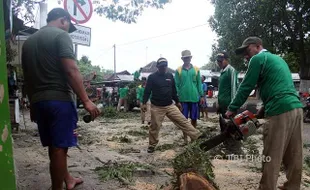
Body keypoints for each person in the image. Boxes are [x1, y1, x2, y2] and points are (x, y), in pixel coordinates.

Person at [21, 8, 101, 190]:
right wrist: (86, 101)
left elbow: (27, 77)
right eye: (68, 26)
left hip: (39, 102)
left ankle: (68, 178)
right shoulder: (61, 36)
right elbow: (71, 70)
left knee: (54, 145)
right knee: (59, 147)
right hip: (59, 101)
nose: (67, 30)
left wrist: (32, 103)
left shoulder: (29, 42)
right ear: (63, 20)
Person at [225, 36, 303, 190]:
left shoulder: (258, 59)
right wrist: (262, 110)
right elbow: (278, 88)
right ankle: (292, 187)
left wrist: (231, 109)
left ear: (258, 46)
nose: (246, 56)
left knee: (272, 155)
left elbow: (246, 86)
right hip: (296, 108)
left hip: (280, 109)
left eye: (248, 51)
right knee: (294, 154)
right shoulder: (278, 59)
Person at [142, 57, 205, 153]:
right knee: (155, 126)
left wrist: (178, 102)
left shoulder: (169, 76)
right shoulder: (152, 77)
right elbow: (147, 91)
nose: (164, 68)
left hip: (170, 105)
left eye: (165, 66)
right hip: (157, 107)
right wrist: (144, 103)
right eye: (162, 66)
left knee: (183, 121)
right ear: (157, 67)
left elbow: (173, 91)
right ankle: (152, 145)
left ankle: (197, 136)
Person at [174, 50, 204, 144]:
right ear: (182, 59)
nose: (187, 59)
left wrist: (202, 95)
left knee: (194, 118)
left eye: (188, 57)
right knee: (184, 120)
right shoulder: (178, 70)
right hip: (183, 99)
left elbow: (199, 83)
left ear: (191, 58)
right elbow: (176, 85)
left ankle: (193, 137)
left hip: (194, 98)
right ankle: (185, 139)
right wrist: (177, 97)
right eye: (185, 58)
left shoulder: (196, 69)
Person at [216, 51, 242, 155]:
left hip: (229, 105)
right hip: (222, 104)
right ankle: (226, 145)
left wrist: (232, 106)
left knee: (232, 126)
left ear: (227, 60)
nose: (219, 63)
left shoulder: (231, 71)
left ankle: (234, 148)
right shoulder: (222, 72)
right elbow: (221, 89)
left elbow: (234, 88)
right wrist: (218, 102)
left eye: (221, 61)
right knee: (223, 126)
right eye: (218, 61)